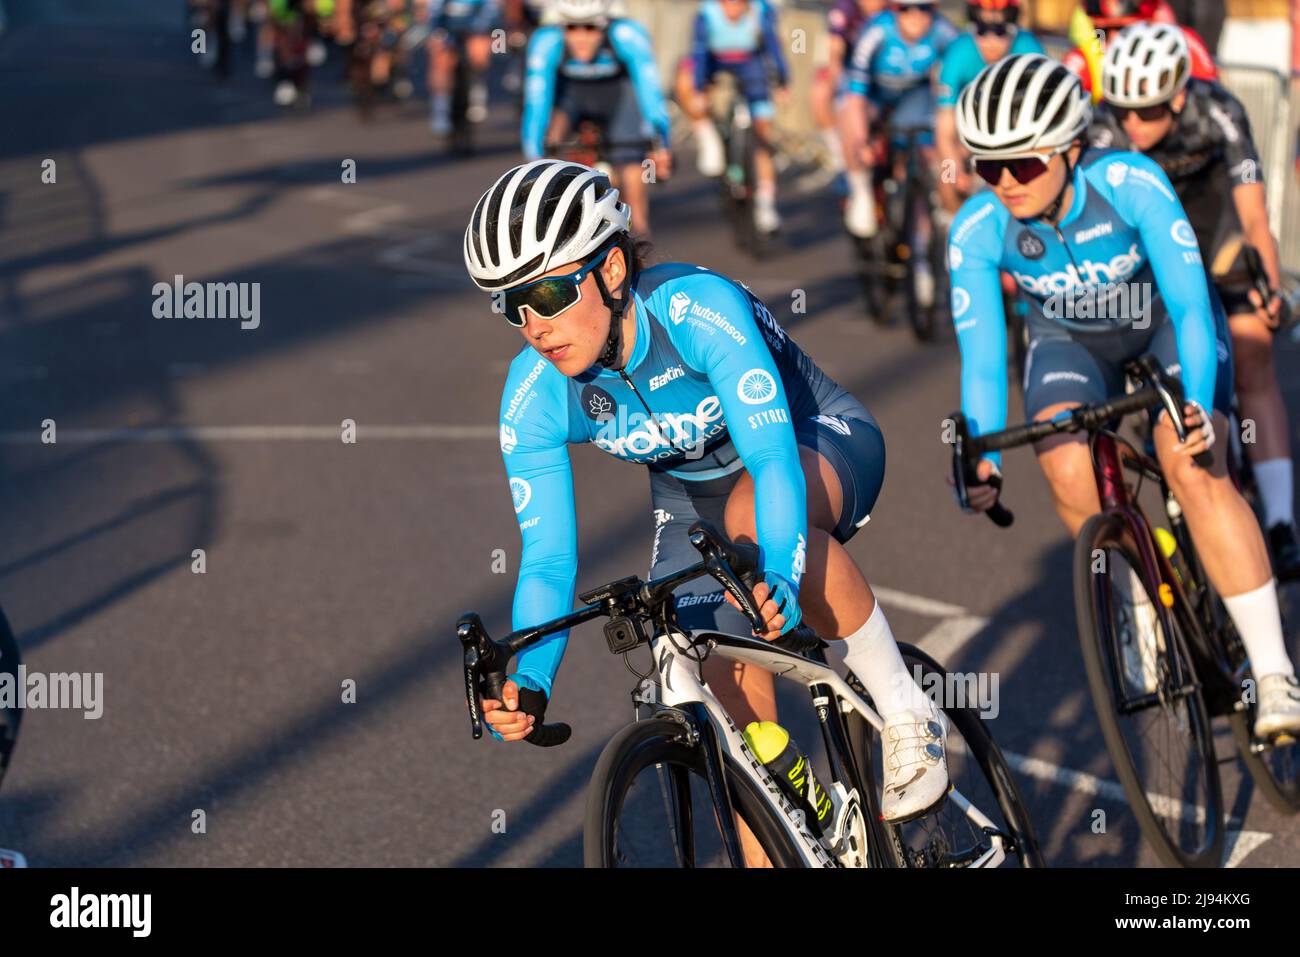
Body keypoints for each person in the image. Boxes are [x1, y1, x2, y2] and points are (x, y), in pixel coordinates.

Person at [465, 159, 952, 849]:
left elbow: (773, 460)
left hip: (811, 440)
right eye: (510, 303)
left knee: (751, 520)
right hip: (691, 496)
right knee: (691, 670)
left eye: (547, 291)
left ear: (608, 270)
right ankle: (796, 829)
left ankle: (906, 711)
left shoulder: (696, 309)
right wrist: (531, 678)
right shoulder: (532, 394)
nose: (533, 323)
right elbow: (548, 557)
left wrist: (780, 571)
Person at [947, 53, 1300, 736]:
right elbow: (985, 363)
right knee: (1064, 461)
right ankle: (1142, 595)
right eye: (988, 166)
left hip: (1165, 327)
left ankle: (1275, 670)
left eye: (1024, 164)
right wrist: (980, 454)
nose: (1005, 183)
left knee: (1193, 463)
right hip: (1069, 344)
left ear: (1072, 148)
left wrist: (1198, 403)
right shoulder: (977, 229)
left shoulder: (1130, 180)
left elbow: (1194, 309)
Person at [1090, 23, 1300, 580]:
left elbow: (1254, 217)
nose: (1131, 123)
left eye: (1148, 110)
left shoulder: (1220, 112)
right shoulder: (1104, 126)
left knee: (1253, 350)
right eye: (1122, 109)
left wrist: (1270, 285)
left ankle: (1281, 522)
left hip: (1216, 236)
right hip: (1149, 252)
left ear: (1179, 96)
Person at [523, 0, 672, 235]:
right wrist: (536, 156)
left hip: (618, 98)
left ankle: (640, 232)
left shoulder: (627, 34)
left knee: (631, 162)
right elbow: (536, 102)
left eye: (590, 28)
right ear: (561, 26)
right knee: (551, 137)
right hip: (570, 98)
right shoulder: (545, 41)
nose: (581, 37)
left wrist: (661, 143)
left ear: (605, 25)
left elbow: (650, 92)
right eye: (572, 27)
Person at [841, 0, 959, 239]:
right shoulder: (876, 31)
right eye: (906, 9)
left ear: (934, 11)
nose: (916, 16)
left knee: (925, 143)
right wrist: (862, 140)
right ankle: (861, 190)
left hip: (914, 95)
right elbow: (856, 93)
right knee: (849, 121)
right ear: (894, 10)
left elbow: (957, 79)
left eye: (924, 9)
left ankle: (929, 203)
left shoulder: (944, 32)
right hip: (875, 94)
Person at [677, 0, 789, 234]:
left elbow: (773, 46)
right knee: (685, 75)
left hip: (750, 64)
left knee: (762, 136)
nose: (733, 9)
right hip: (715, 62)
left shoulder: (762, 10)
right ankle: (708, 136)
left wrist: (782, 80)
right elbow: (699, 51)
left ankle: (765, 204)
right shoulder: (707, 13)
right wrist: (699, 88)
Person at [935, 0, 1043, 215]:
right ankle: (952, 226)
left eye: (1000, 32)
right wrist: (954, 170)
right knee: (946, 174)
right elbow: (945, 130)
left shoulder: (1029, 48)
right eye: (982, 31)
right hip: (968, 139)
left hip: (1015, 135)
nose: (991, 41)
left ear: (1013, 30)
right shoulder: (958, 52)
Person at [1063, 0, 1216, 102]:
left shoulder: (1185, 43)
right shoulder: (1085, 56)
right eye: (1102, 30)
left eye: (1124, 29)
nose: (1113, 39)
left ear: (1151, 21)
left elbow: (1212, 98)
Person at [810, 0, 887, 190]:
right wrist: (833, 80)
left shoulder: (898, 10)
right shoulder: (845, 9)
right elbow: (834, 50)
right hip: (855, 75)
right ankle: (843, 161)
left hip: (887, 77)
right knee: (826, 97)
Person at [427, 0, 500, 134]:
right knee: (440, 60)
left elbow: (491, 12)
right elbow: (435, 13)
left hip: (474, 30)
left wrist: (480, 29)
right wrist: (438, 34)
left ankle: (476, 94)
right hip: (447, 30)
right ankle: (441, 109)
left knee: (480, 52)